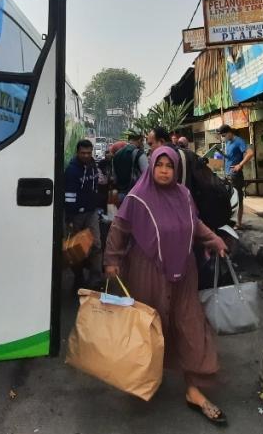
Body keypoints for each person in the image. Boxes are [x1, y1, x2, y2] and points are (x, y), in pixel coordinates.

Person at [104, 146, 229, 425]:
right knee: (149, 327)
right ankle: (143, 380)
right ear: (151, 167)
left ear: (175, 169)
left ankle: (195, 390)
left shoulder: (184, 195)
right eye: (158, 165)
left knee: (191, 325)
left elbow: (194, 224)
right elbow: (119, 229)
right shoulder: (138, 197)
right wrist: (111, 260)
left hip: (184, 271)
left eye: (168, 166)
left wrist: (214, 240)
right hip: (147, 271)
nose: (163, 170)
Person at [65, 139, 103, 289]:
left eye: (88, 153)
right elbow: (69, 196)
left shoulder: (93, 165)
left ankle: (96, 280)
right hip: (75, 215)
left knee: (96, 245)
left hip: (91, 212)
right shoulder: (71, 171)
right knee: (77, 249)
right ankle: (78, 279)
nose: (86, 155)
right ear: (77, 152)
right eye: (83, 153)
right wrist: (69, 218)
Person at [217, 124, 254, 230]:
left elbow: (250, 153)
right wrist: (221, 154)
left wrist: (240, 165)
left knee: (238, 199)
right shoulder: (228, 142)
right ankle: (229, 221)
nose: (223, 137)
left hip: (235, 175)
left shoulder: (239, 141)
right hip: (227, 173)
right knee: (227, 199)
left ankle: (239, 223)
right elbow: (230, 157)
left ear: (229, 132)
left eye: (224, 135)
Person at [112, 133, 148, 204]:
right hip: (135, 195)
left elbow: (114, 176)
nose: (143, 144)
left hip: (120, 194)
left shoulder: (117, 154)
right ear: (140, 140)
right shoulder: (139, 154)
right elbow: (147, 174)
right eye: (143, 141)